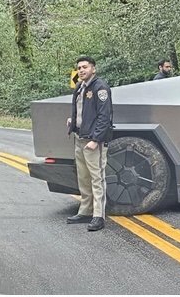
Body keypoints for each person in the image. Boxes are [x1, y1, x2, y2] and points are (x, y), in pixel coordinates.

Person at [66, 56, 113, 231]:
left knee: (97, 178)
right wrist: (74, 120)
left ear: (93, 69)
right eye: (79, 68)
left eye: (85, 67)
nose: (81, 70)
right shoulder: (80, 87)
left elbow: (104, 116)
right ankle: (85, 211)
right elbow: (82, 110)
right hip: (80, 138)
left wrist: (96, 140)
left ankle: (98, 216)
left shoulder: (100, 88)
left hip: (93, 141)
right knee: (83, 178)